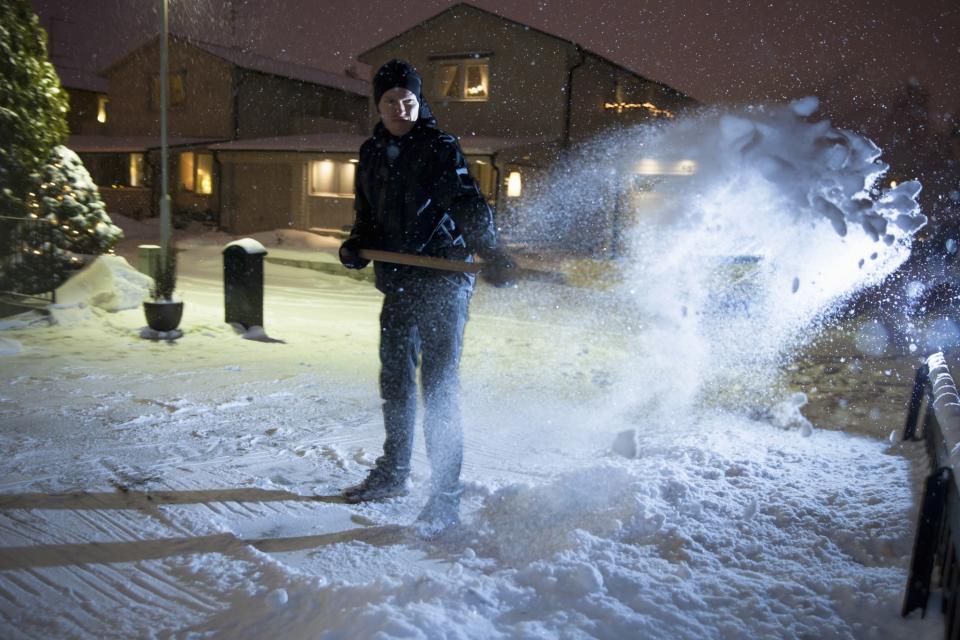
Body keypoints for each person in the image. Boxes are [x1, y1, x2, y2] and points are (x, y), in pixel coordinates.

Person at [338, 59, 511, 532]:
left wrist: (491, 251)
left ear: (420, 103)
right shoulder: (371, 152)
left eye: (409, 100)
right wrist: (357, 243)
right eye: (391, 101)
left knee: (437, 388)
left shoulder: (438, 148)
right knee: (394, 379)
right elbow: (366, 213)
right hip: (399, 279)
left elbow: (467, 202)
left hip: (443, 278)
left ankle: (445, 497)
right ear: (378, 105)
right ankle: (394, 472)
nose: (401, 108)